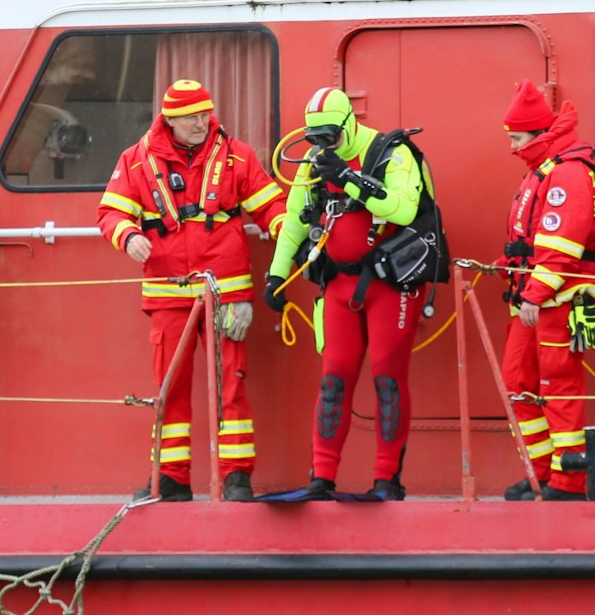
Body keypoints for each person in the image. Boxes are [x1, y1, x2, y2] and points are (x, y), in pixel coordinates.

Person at [97, 79, 287, 503]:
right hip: (168, 292)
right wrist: (128, 237)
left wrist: (284, 229)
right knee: (169, 388)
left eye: (205, 113)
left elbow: (271, 203)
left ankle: (237, 478)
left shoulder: (238, 155)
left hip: (227, 292)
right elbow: (110, 212)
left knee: (231, 385)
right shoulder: (135, 161)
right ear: (170, 120)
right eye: (192, 116)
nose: (202, 122)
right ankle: (170, 479)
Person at [266, 87, 427, 501]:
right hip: (338, 284)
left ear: (348, 124)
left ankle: (387, 480)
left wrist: (349, 180)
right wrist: (276, 276)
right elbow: (295, 222)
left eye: (330, 138)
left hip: (390, 285)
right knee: (333, 381)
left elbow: (404, 210)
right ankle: (322, 477)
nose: (323, 146)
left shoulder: (393, 152)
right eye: (315, 138)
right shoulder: (314, 163)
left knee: (388, 379)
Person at [497, 81, 595, 503]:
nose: (512, 146)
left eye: (516, 138)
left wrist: (534, 294)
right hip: (535, 298)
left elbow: (563, 245)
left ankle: (569, 482)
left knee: (558, 387)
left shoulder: (567, 173)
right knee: (519, 382)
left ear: (537, 135)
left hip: (557, 300)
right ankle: (541, 473)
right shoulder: (544, 169)